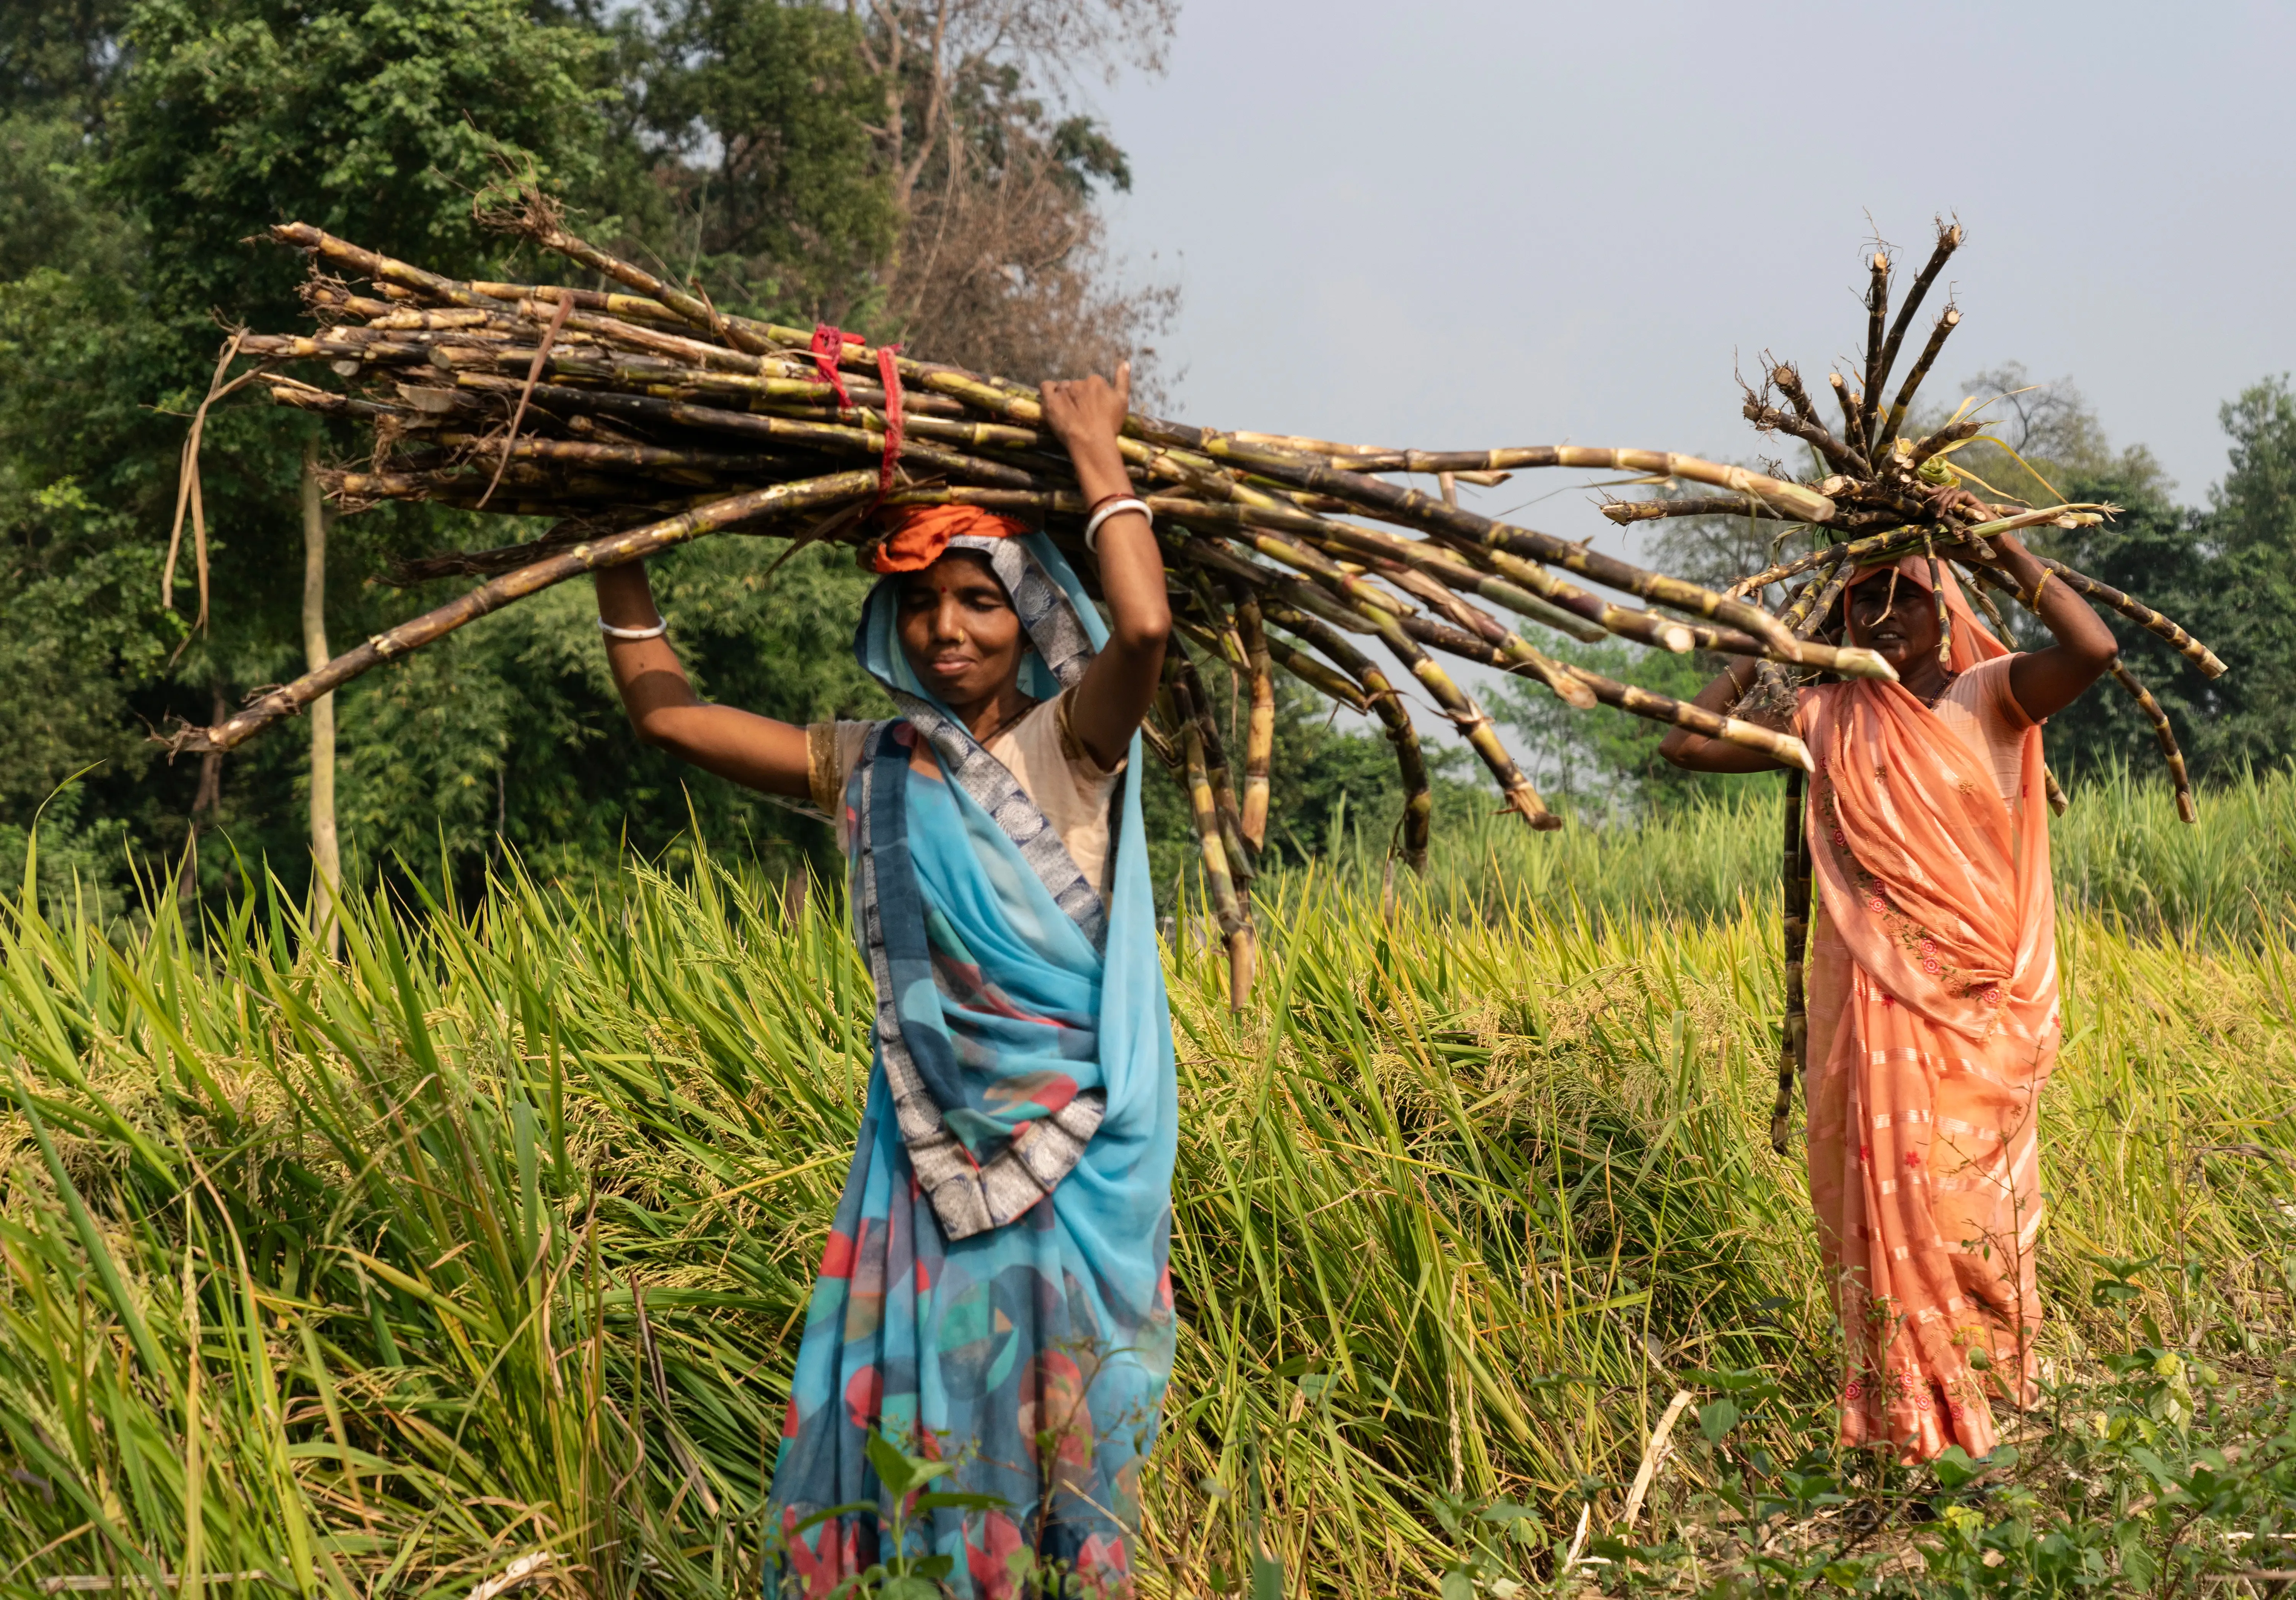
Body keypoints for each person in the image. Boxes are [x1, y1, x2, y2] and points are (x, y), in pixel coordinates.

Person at [594, 364, 1176, 1597]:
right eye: (919, 604)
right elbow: (672, 718)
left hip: (1064, 1154)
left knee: (1058, 1437)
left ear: (1029, 612)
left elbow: (1146, 630)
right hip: (926, 1156)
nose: (946, 629)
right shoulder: (873, 761)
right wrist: (620, 538)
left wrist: (1094, 453)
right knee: (927, 1420)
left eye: (977, 600)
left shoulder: (1073, 742)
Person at [1660, 527, 2118, 1463]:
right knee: (1896, 1201)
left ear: (1945, 610)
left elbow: (2094, 650)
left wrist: (2003, 555)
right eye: (1863, 603)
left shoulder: (1988, 696)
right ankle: (1914, 1427)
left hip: (1980, 1009)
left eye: (1906, 597)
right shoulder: (1828, 719)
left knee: (1967, 1212)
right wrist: (1757, 659)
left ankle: (1998, 1409)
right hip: (1883, 1012)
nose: (1884, 617)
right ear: (1839, 623)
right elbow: (1685, 745)